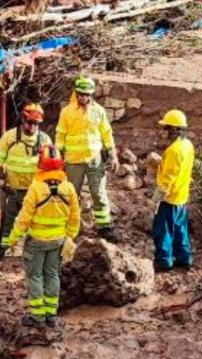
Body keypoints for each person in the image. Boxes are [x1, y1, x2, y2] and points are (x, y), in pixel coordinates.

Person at [1, 146, 81, 327]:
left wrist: (12, 239)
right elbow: (75, 216)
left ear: (40, 164)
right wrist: (70, 236)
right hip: (58, 240)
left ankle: (37, 316)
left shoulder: (36, 188)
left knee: (35, 276)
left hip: (36, 241)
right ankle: (51, 314)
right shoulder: (68, 188)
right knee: (52, 274)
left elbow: (23, 218)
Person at [56, 75, 119, 241]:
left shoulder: (99, 111)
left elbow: (106, 133)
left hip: (94, 159)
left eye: (87, 94)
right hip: (73, 160)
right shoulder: (67, 112)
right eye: (81, 94)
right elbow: (60, 134)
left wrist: (113, 155)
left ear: (92, 94)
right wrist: (58, 155)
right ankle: (69, 226)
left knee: (98, 193)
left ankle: (104, 227)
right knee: (71, 194)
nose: (84, 97)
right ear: (76, 93)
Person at [0, 103, 52, 261]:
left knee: (34, 223)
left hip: (34, 190)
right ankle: (1, 250)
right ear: (23, 120)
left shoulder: (44, 139)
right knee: (7, 222)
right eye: (30, 123)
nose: (32, 127)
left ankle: (30, 253)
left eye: (36, 124)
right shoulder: (10, 137)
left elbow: (51, 163)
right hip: (11, 188)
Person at [152, 109, 195, 272]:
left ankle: (164, 261)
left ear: (175, 129)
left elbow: (167, 178)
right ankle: (184, 259)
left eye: (167, 128)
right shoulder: (187, 145)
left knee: (163, 230)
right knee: (180, 228)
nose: (165, 132)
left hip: (169, 198)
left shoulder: (173, 151)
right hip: (182, 196)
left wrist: (157, 198)